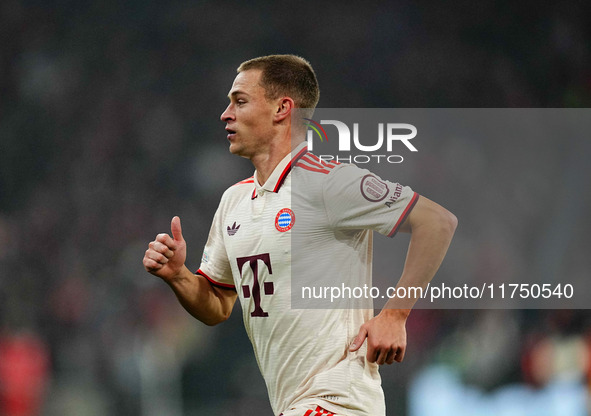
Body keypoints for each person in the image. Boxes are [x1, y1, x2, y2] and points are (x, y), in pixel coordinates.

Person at [143, 54, 457, 416]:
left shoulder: (328, 182)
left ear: (282, 109)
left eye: (239, 101)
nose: (225, 114)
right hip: (293, 405)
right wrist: (177, 276)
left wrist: (395, 315)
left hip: (340, 402)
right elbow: (217, 305)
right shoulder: (234, 202)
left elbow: (437, 222)